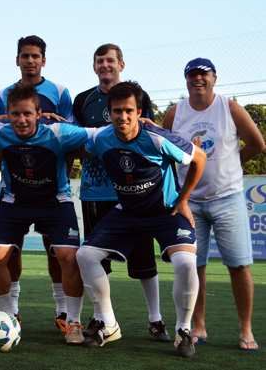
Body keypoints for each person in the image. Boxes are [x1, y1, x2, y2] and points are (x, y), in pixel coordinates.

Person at [76, 81, 206, 358]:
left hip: (165, 212)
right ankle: (108, 323)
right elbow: (76, 146)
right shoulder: (101, 138)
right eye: (116, 111)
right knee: (85, 255)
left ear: (139, 111)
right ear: (109, 113)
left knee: (185, 262)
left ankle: (184, 331)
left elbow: (200, 158)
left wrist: (183, 200)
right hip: (128, 212)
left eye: (128, 111)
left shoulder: (157, 137)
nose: (122, 117)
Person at [163, 58, 264, 351]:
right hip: (188, 202)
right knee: (195, 266)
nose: (198, 79)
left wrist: (232, 165)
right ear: (186, 80)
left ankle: (246, 329)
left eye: (203, 74)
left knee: (239, 265)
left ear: (214, 78)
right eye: (192, 75)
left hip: (227, 198)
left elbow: (257, 144)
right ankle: (199, 326)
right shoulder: (174, 113)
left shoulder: (229, 108)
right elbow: (166, 154)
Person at [0, 82, 94, 345]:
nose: (21, 120)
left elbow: (98, 133)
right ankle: (8, 319)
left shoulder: (58, 132)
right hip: (15, 202)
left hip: (54, 202)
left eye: (27, 114)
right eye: (15, 114)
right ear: (7, 114)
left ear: (39, 113)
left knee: (68, 257)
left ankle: (73, 322)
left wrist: (140, 124)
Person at [72, 44, 169, 342]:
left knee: (143, 261)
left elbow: (148, 138)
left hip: (134, 193)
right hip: (94, 192)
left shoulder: (138, 96)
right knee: (94, 259)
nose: (105, 65)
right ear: (94, 66)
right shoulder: (82, 101)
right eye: (99, 61)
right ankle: (102, 319)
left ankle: (156, 320)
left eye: (110, 61)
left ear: (121, 65)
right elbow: (77, 142)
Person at [0, 35, 73, 329]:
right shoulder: (5, 93)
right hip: (15, 188)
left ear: (43, 60)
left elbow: (69, 134)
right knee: (11, 248)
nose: (29, 60)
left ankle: (63, 311)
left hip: (51, 188)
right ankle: (12, 309)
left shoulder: (60, 92)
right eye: (24, 56)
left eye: (35, 56)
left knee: (56, 249)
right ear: (17, 60)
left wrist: (50, 122)